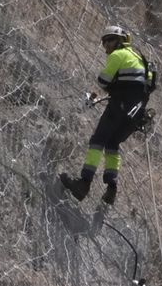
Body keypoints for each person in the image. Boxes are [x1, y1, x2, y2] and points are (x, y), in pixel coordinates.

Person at [59, 25, 152, 206]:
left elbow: (103, 81)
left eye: (108, 40)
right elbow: (143, 85)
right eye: (104, 42)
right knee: (112, 144)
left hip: (119, 106)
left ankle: (84, 184)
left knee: (98, 140)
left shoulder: (118, 55)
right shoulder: (139, 58)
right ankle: (111, 188)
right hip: (137, 113)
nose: (105, 46)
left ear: (119, 41)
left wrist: (109, 89)